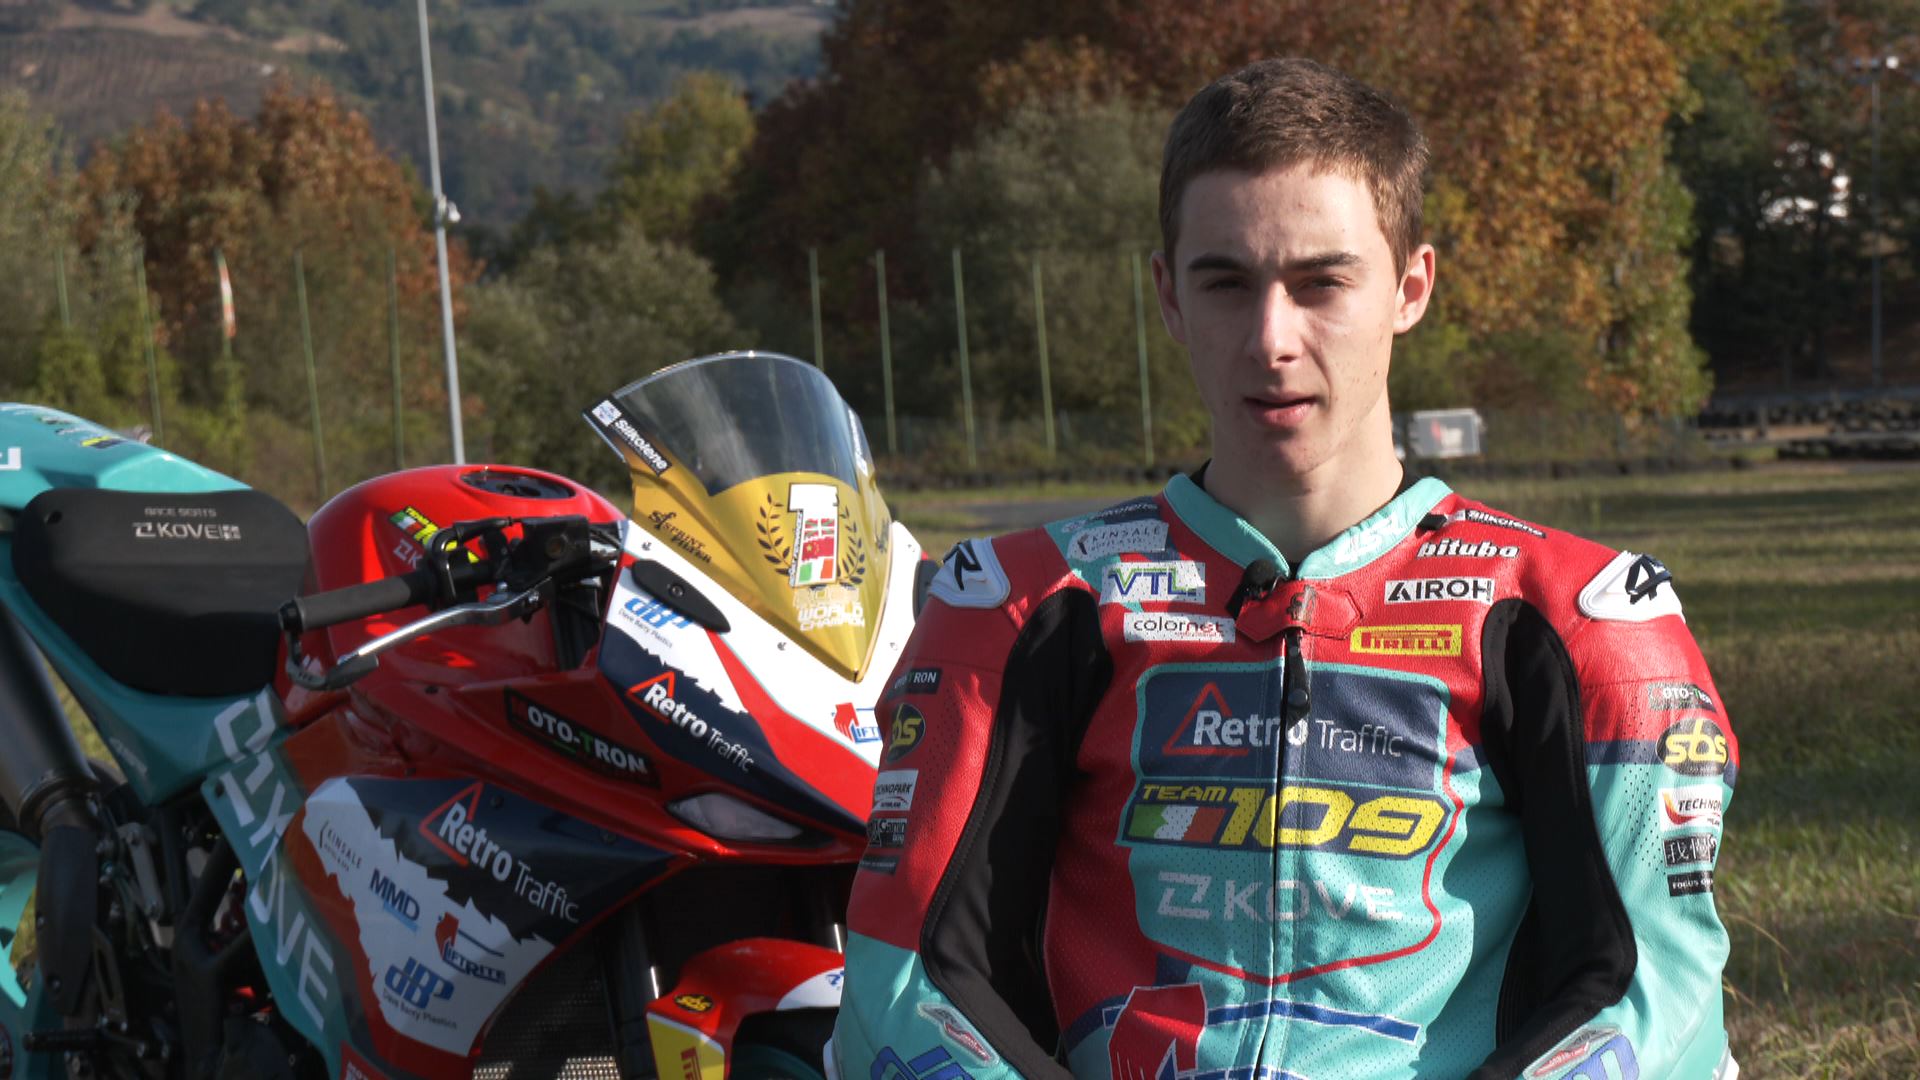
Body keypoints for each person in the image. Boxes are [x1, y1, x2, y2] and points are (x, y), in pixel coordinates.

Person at [830, 58, 1738, 1080]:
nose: (1272, 340)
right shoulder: (1018, 606)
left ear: (1411, 288)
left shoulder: (1583, 618)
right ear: (1170, 297)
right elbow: (902, 989)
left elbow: (1658, 1002)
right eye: (1227, 283)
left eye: (1321, 284)